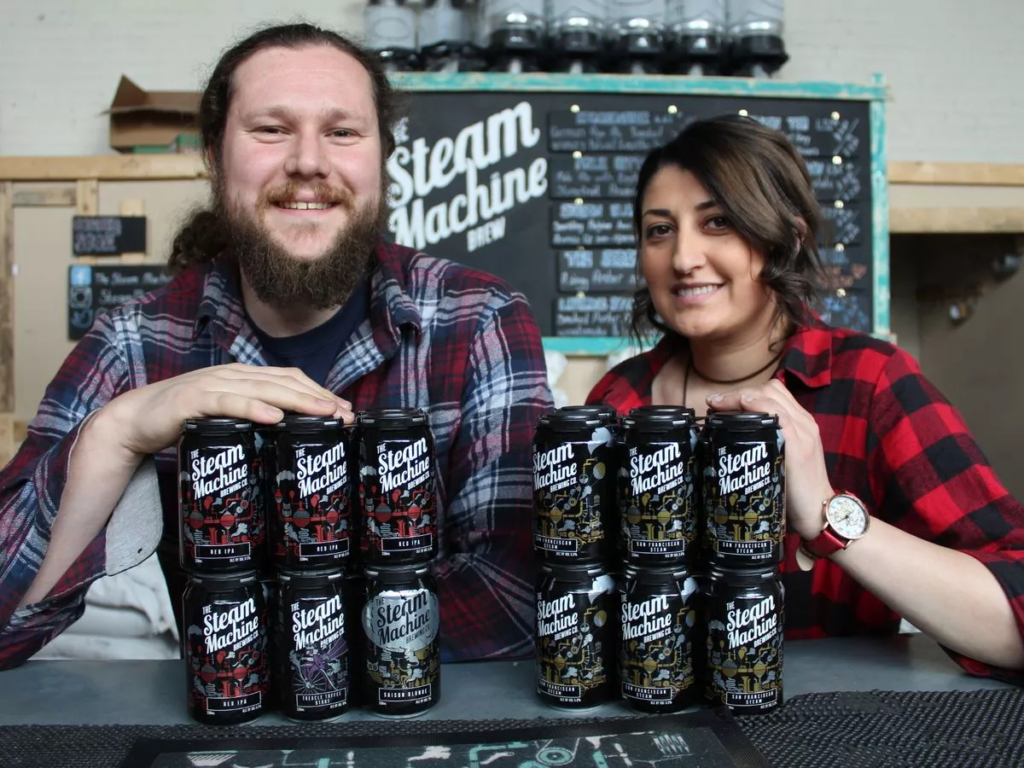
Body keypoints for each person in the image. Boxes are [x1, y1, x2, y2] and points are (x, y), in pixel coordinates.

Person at [0, 24, 552, 669]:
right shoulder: (133, 341)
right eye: (271, 129)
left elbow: (516, 595)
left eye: (342, 132)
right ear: (214, 156)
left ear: (382, 158)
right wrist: (118, 432)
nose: (309, 162)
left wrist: (277, 648)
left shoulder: (479, 318)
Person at [588, 115, 1024, 681]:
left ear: (787, 238)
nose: (683, 258)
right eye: (659, 230)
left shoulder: (870, 382)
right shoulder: (618, 400)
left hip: (830, 729)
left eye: (718, 222)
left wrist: (828, 515)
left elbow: (1014, 614)